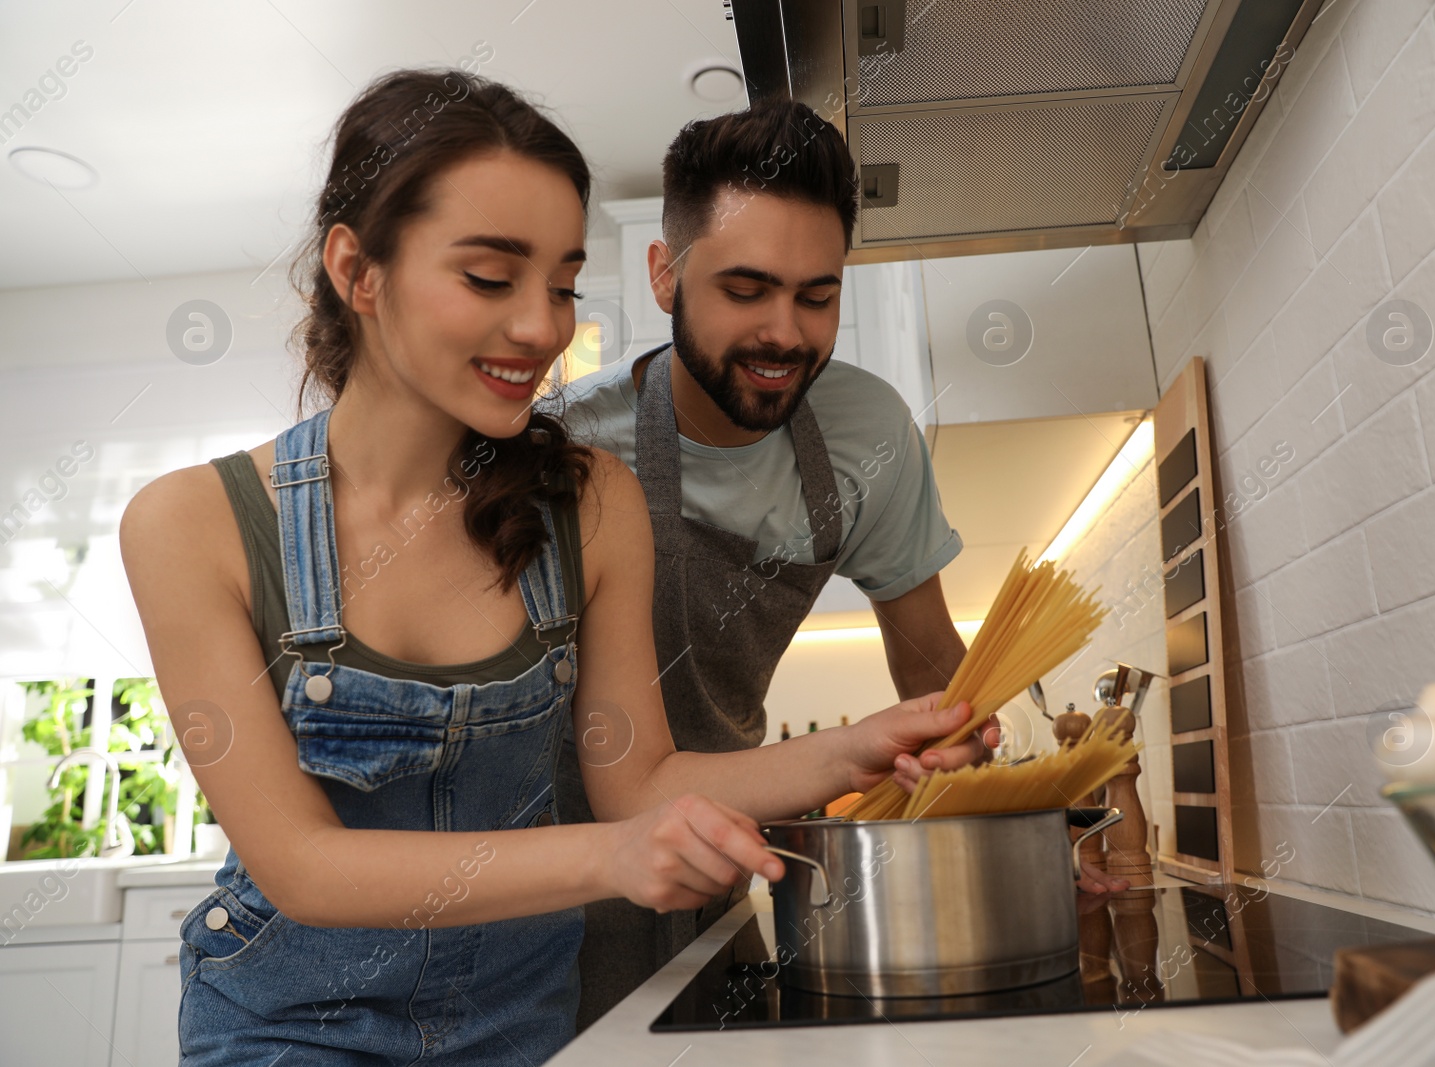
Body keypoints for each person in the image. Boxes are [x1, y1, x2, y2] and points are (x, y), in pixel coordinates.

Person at [119, 69, 977, 1066]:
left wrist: (863, 745)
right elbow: (304, 864)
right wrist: (612, 856)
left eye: (562, 284)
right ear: (359, 270)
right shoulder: (192, 524)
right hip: (290, 1029)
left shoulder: (594, 502)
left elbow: (641, 783)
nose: (541, 328)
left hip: (524, 1027)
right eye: (491, 277)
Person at [556, 99, 1125, 1029]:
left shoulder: (866, 438)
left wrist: (1007, 837)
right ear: (665, 275)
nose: (786, 332)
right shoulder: (572, 444)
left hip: (715, 867)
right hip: (543, 891)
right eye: (746, 290)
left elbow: (938, 671)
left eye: (817, 296)